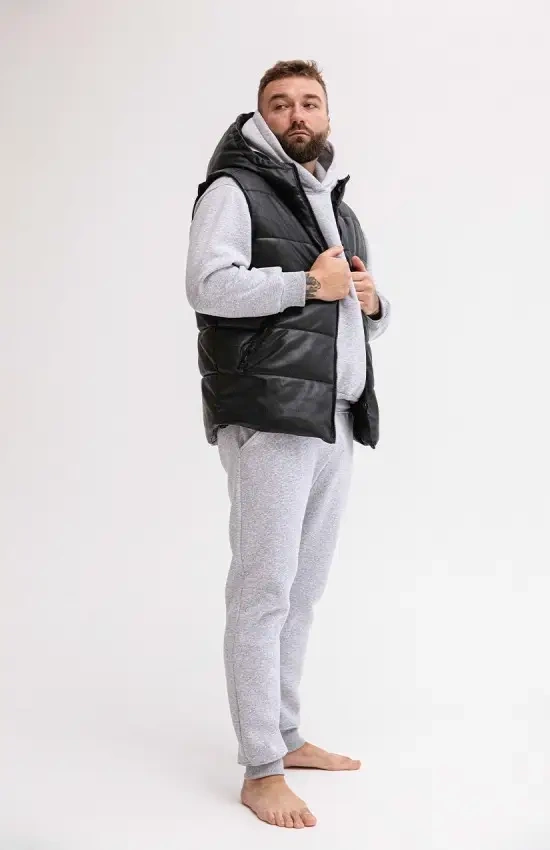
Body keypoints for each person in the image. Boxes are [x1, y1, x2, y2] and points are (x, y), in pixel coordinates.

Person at [185, 59, 391, 829]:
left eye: (310, 102)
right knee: (263, 592)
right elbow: (208, 285)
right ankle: (260, 769)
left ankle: (287, 734)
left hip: (333, 417)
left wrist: (374, 304)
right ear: (260, 118)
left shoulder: (333, 203)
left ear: (327, 115)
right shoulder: (234, 190)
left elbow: (352, 313)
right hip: (271, 415)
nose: (297, 114)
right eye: (281, 104)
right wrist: (307, 284)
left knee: (302, 594)